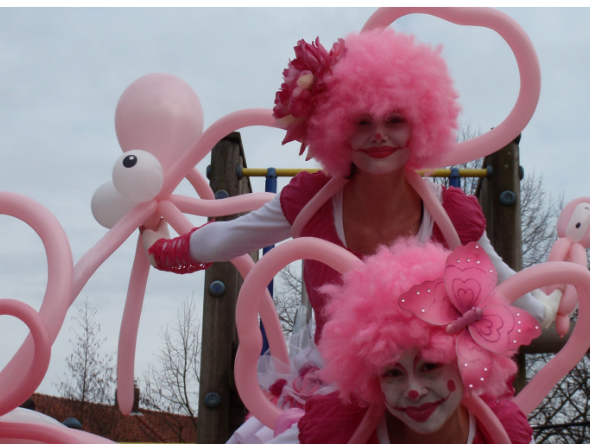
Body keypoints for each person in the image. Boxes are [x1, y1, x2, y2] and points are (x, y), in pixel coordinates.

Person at [106, 241, 590, 444]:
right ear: (368, 374)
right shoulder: (342, 429)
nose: (413, 389)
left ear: (467, 359)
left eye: (431, 366)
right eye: (392, 372)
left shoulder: (499, 436)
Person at [142, 28, 562, 344]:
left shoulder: (450, 215)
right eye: (362, 122)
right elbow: (228, 237)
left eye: (394, 120)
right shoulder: (313, 203)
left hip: (421, 396)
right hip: (331, 395)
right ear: (336, 128)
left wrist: (553, 305)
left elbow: (504, 283)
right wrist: (158, 250)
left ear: (422, 125)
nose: (379, 135)